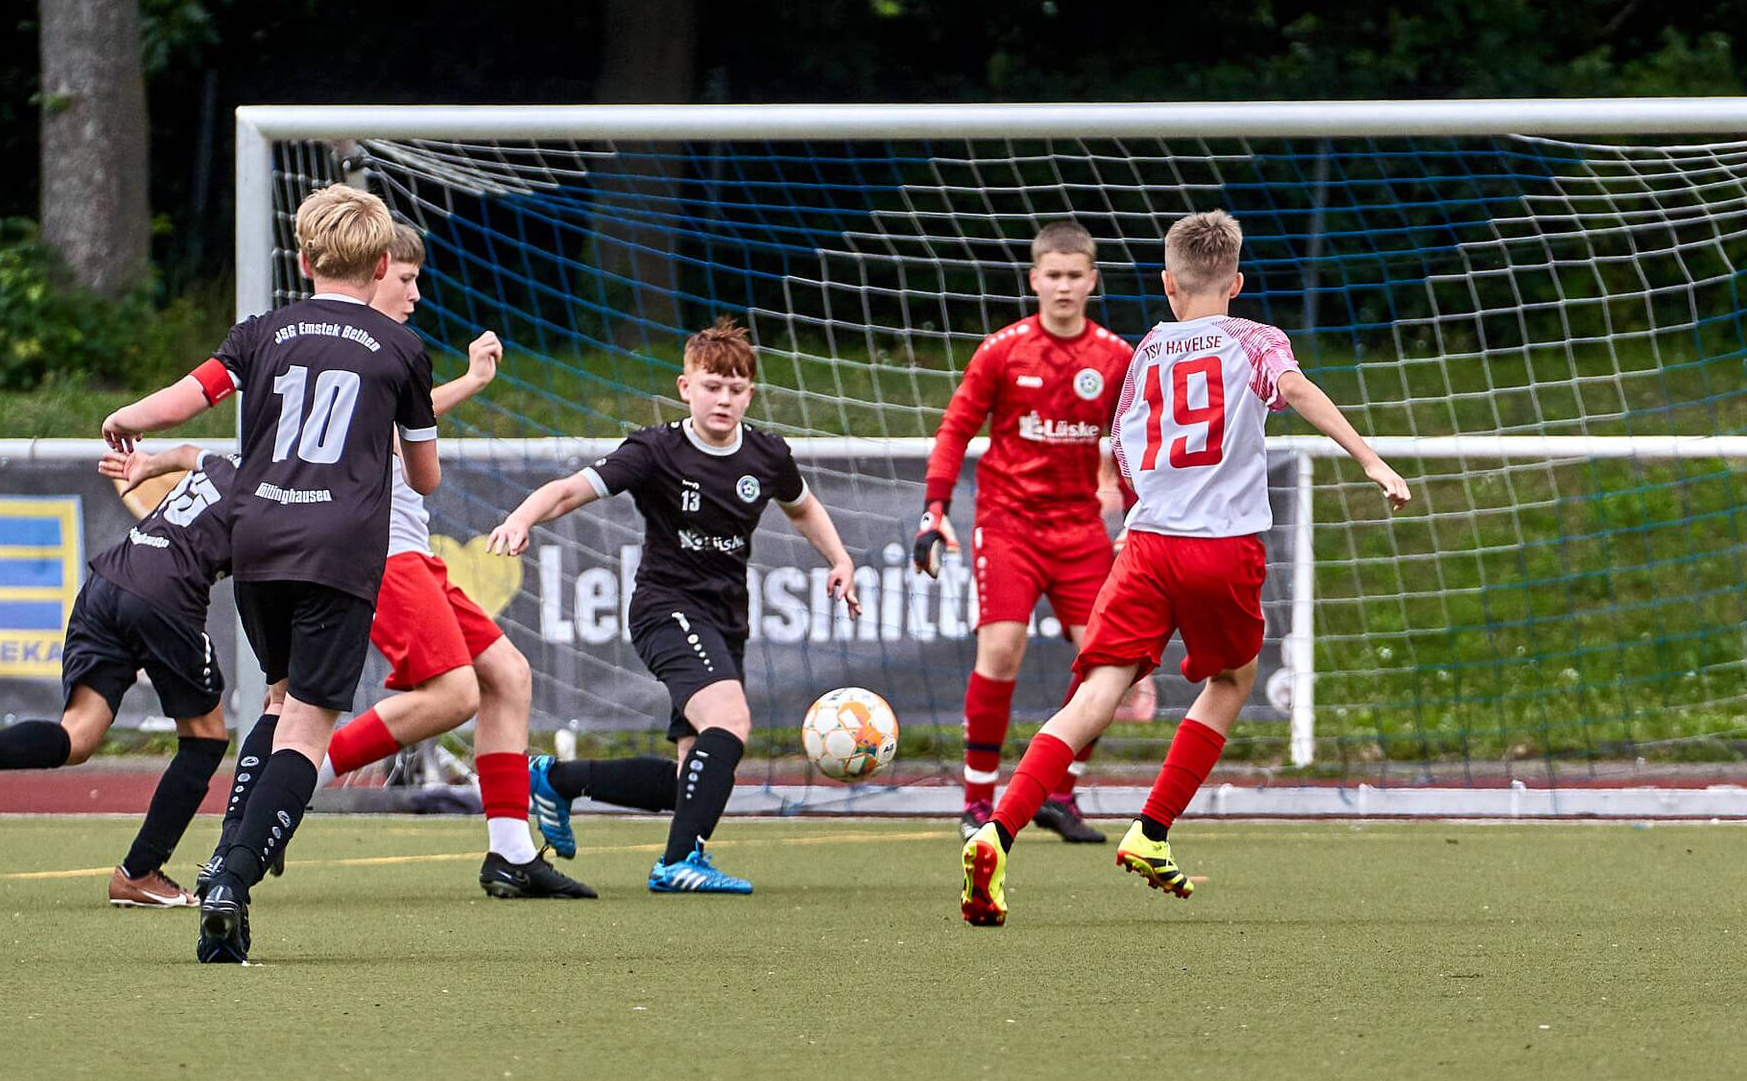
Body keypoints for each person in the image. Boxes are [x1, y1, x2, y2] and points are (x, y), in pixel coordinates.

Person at [960, 209, 1411, 926]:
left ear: (1168, 285)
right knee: (1233, 679)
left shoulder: (1146, 350)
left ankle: (997, 829)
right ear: (1237, 282)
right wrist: (1371, 460)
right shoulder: (1256, 339)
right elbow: (1295, 390)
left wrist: (1141, 506)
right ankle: (1152, 829)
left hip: (1147, 544)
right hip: (1222, 546)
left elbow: (1124, 443)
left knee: (1096, 693)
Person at [103, 183, 438, 962]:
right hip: (338, 551)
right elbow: (423, 478)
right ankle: (233, 874)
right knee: (309, 729)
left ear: (304, 259)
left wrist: (124, 419)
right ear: (382, 264)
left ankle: (232, 846)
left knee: (280, 698)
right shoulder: (401, 350)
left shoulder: (263, 331)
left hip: (258, 542)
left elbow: (186, 400)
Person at [488, 319, 860, 895]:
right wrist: (520, 519)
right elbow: (569, 489)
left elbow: (802, 506)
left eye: (735, 389)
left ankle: (557, 779)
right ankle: (679, 862)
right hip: (665, 610)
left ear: (750, 395)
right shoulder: (656, 450)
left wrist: (839, 558)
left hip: (726, 619)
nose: (724, 399)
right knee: (731, 721)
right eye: (712, 386)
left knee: (695, 779)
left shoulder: (766, 454)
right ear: (686, 387)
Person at [316, 222, 591, 899]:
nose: (416, 294)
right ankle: (299, 774)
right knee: (455, 694)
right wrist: (470, 382)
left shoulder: (387, 346)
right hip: (376, 552)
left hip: (409, 549)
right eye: (407, 279)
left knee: (508, 676)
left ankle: (511, 853)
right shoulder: (354, 344)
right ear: (375, 271)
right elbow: (386, 430)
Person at [0, 444, 236, 910]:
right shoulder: (277, 492)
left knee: (78, 736)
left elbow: (190, 452)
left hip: (108, 581)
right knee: (205, 738)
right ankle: (139, 872)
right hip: (163, 596)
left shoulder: (226, 462)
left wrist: (149, 463)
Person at [914, 220, 1138, 843]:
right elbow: (955, 429)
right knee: (1002, 650)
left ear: (1092, 280)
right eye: (1053, 275)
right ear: (1034, 279)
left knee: (1112, 664)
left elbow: (1132, 446)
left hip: (1080, 530)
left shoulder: (1116, 358)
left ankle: (1058, 795)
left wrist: (1136, 515)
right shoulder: (1003, 350)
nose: (1064, 286)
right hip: (1008, 524)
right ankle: (977, 803)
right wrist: (934, 509)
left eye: (1075, 276)